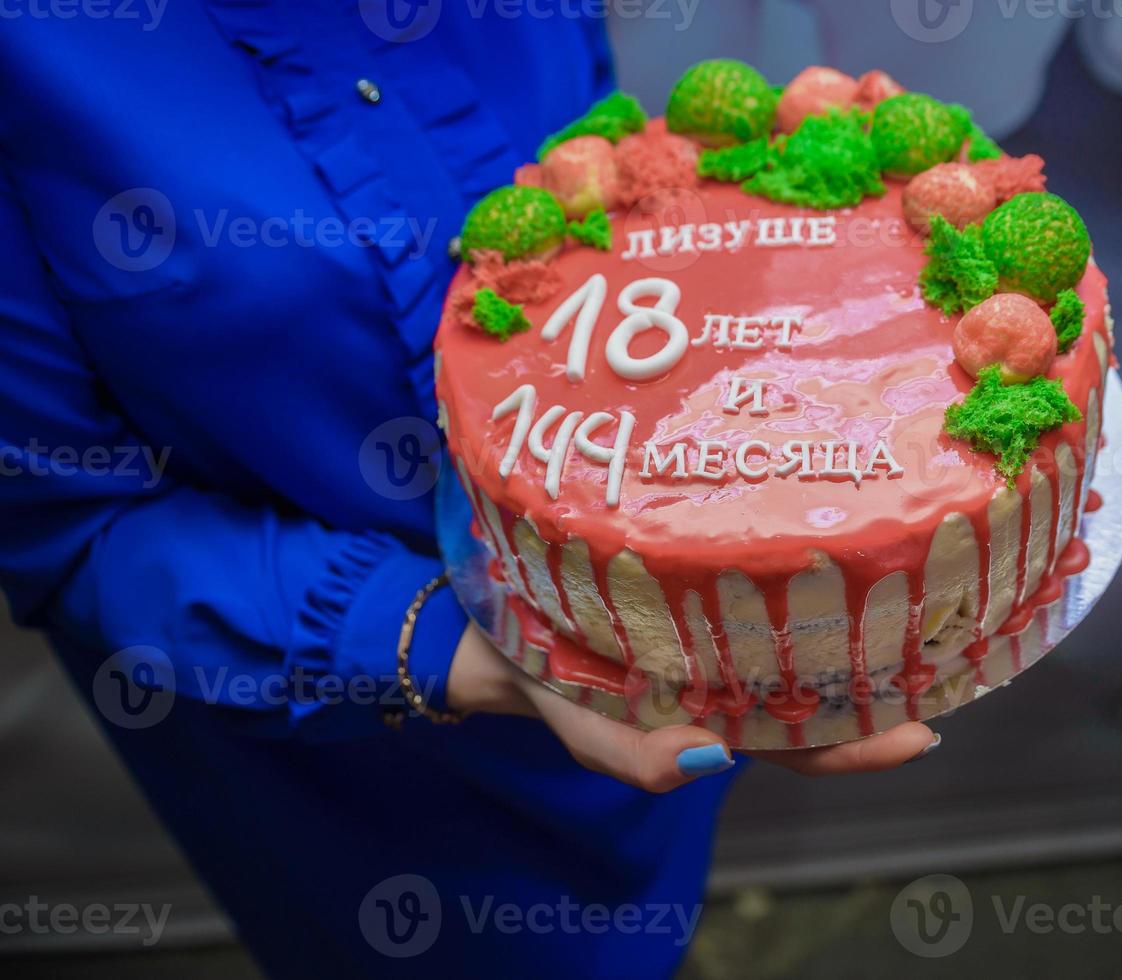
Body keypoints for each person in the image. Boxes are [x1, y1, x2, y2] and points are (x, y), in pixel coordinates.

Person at [0, 6, 934, 977]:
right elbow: (72, 534)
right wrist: (461, 647)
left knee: (648, 919)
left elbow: (592, 214)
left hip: (647, 615)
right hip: (362, 750)